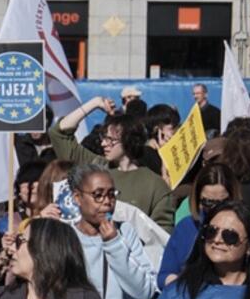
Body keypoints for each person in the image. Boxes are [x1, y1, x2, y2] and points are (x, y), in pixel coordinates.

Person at [49, 96, 176, 228]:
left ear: (129, 140)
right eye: (103, 138)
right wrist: (94, 103)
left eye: (110, 140)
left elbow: (162, 237)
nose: (103, 144)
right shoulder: (97, 167)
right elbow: (59, 134)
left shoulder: (155, 185)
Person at [62, 164, 157, 299]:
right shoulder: (65, 237)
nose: (107, 201)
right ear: (77, 198)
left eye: (112, 194)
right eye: (98, 195)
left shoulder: (125, 231)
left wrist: (114, 244)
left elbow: (144, 292)